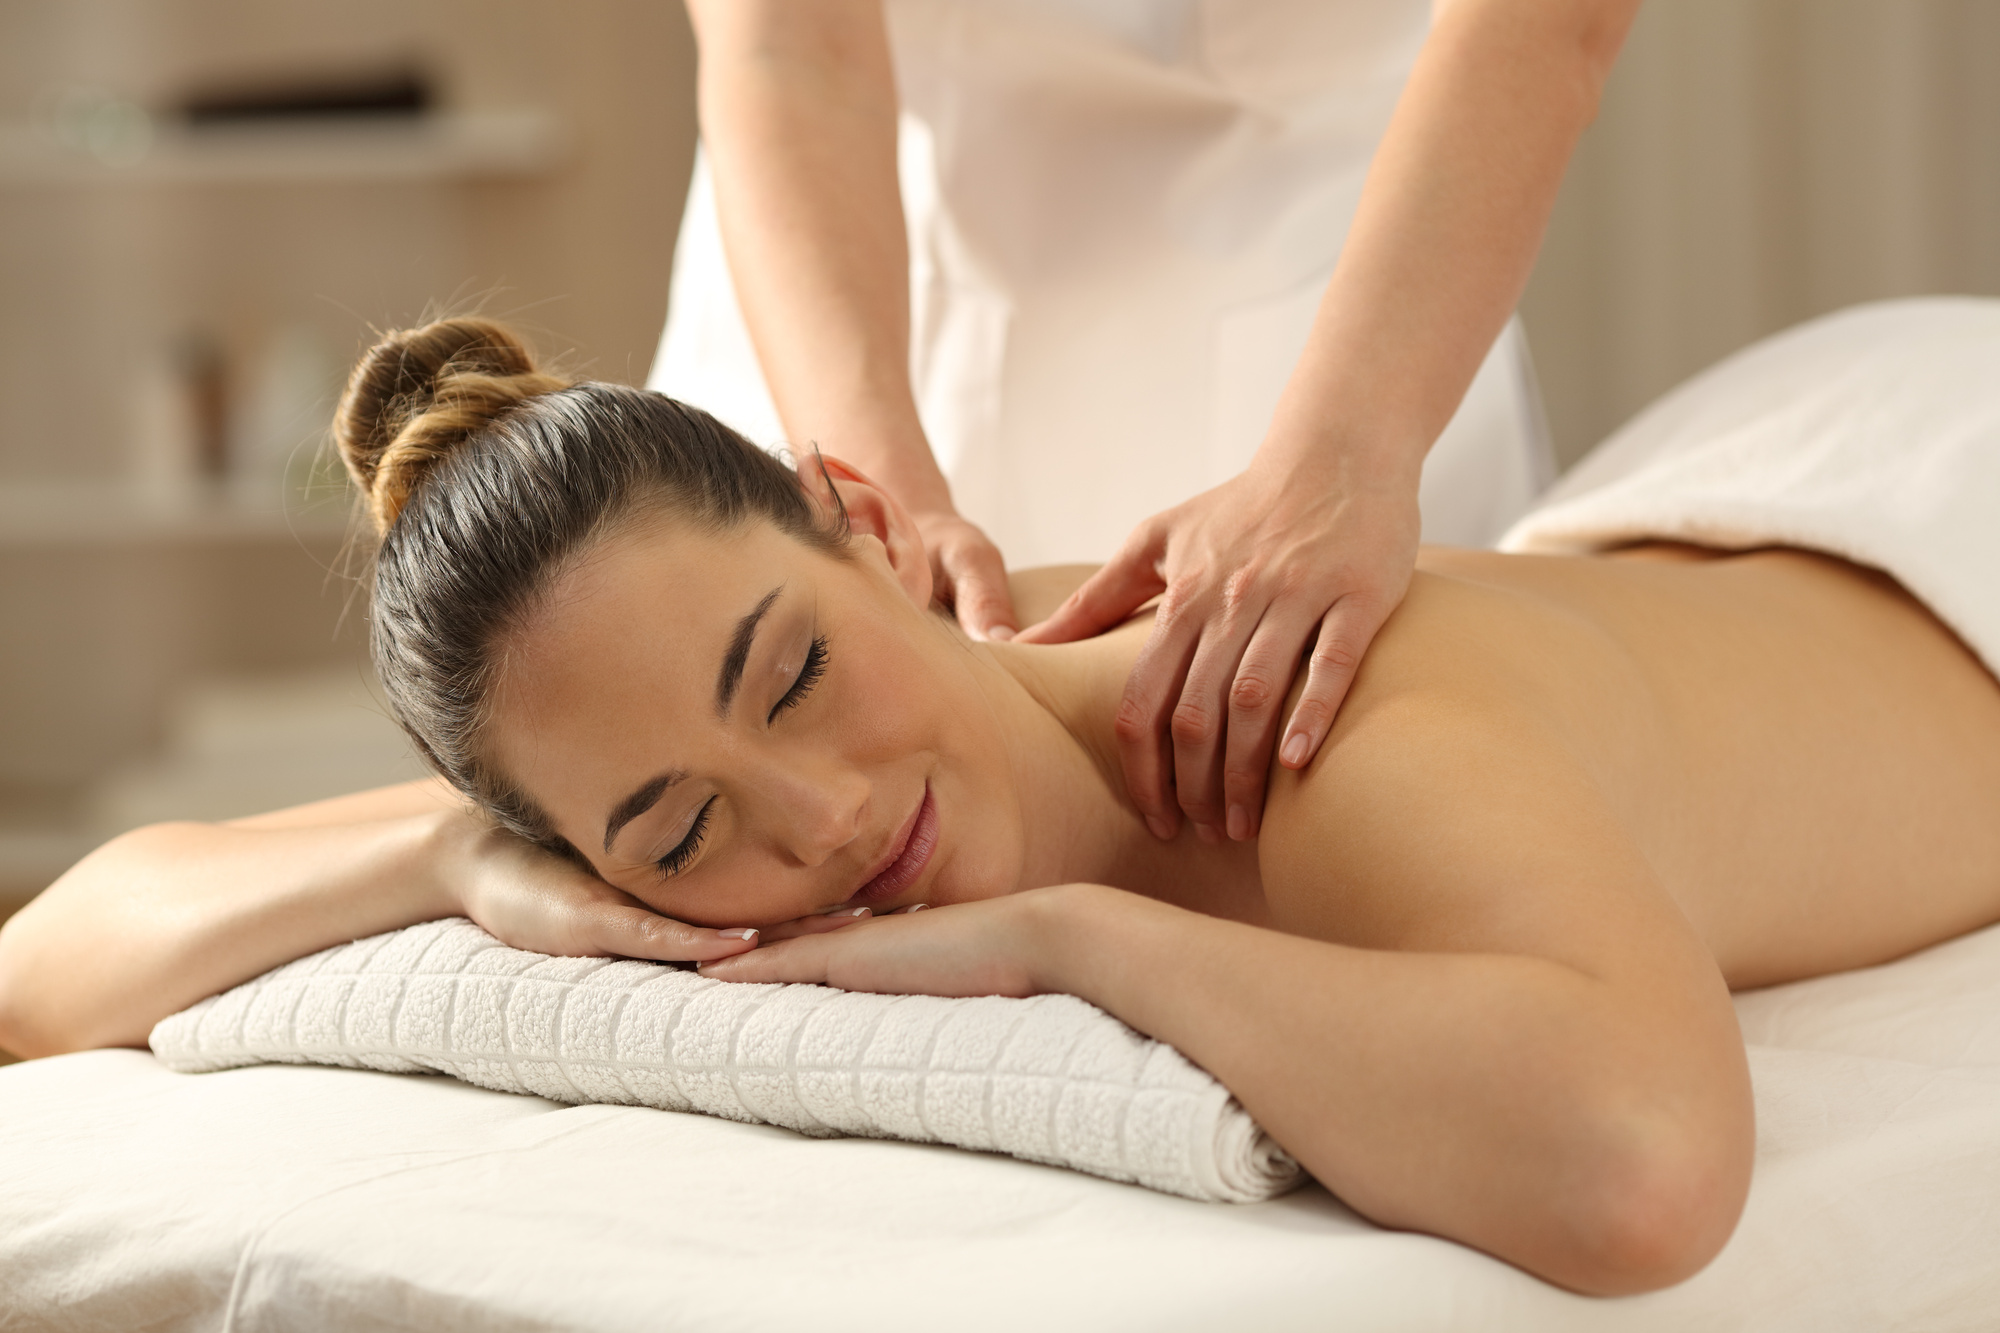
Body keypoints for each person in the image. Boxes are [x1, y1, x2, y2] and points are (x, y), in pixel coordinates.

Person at [5, 311, 1999, 1296]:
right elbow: (48, 969)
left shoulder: (1311, 718)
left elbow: (1640, 1172)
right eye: (678, 835)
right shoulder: (683, 720)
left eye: (789, 671)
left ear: (868, 529)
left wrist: (1078, 942)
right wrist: (454, 851)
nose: (813, 818)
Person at [659, 0, 1641, 848]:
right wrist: (869, 500)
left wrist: (1345, 458)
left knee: (1377, 829)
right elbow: (786, 49)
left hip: (1353, 331)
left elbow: (1544, 27)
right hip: (835, 309)